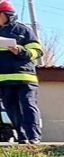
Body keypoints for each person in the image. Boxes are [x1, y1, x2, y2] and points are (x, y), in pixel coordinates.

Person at [0, 1, 43, 144]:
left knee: (28, 106)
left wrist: (20, 51)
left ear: (8, 15)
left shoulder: (23, 30)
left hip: (25, 78)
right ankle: (22, 137)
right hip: (4, 80)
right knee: (11, 109)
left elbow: (37, 51)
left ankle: (33, 137)